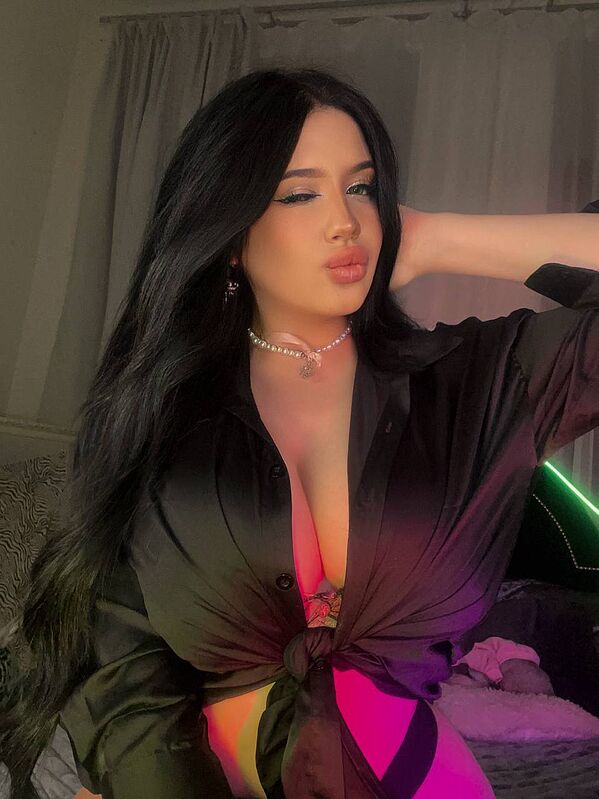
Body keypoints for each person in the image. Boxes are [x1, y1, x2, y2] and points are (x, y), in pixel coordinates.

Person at [1, 66, 598, 799]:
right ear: (229, 232)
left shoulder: (476, 384)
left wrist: (438, 237)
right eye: (299, 193)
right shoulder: (162, 409)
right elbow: (127, 673)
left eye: (362, 187)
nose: (345, 220)